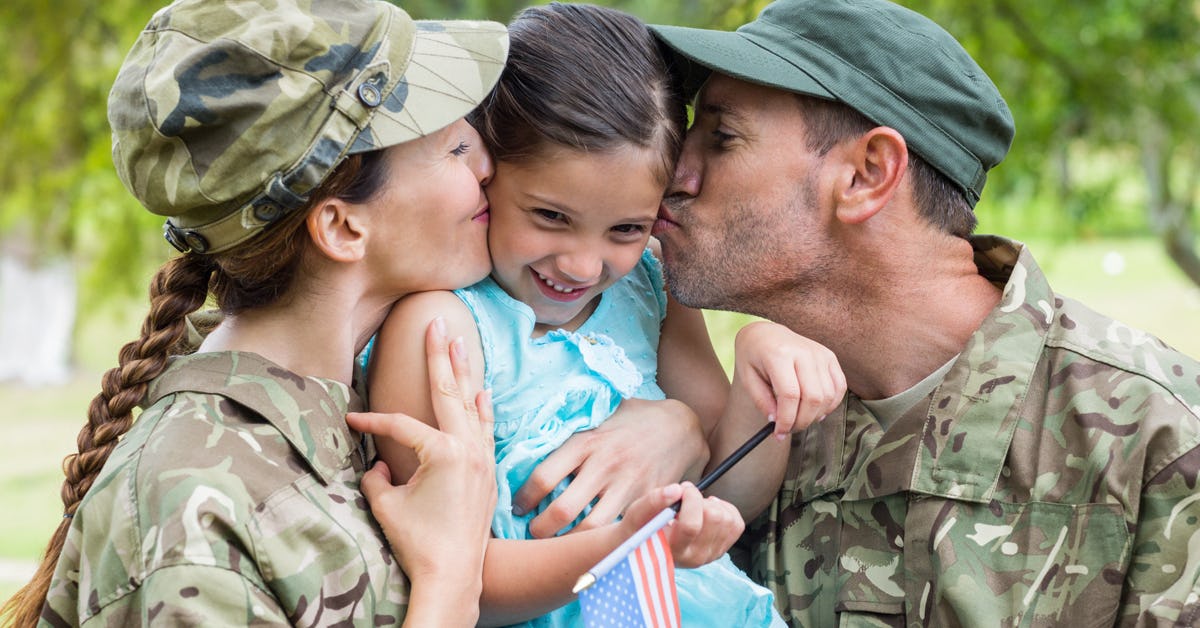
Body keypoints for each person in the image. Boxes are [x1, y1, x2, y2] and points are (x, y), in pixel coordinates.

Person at [643, 0, 1200, 625]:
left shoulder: (1162, 438)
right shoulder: (758, 425)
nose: (670, 174)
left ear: (867, 175)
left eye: (720, 136)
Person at [0, 0, 512, 625]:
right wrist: (452, 577)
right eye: (457, 148)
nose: (489, 166)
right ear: (343, 226)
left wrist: (663, 424)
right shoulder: (192, 511)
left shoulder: (358, 394)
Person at [361, 4, 844, 626]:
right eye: (551, 217)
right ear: (486, 173)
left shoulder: (647, 284)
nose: (585, 267)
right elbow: (458, 574)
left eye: (626, 227)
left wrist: (761, 377)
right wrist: (633, 545)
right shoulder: (443, 330)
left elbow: (727, 494)